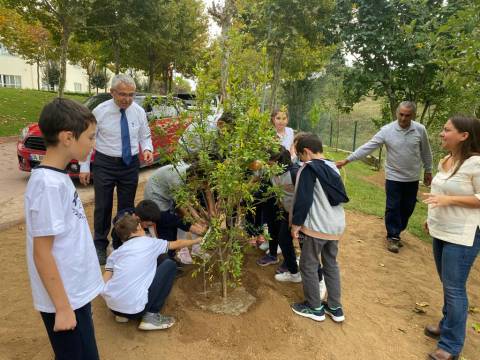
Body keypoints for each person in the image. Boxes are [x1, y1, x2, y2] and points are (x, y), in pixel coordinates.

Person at [24, 98, 104, 359]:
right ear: (68, 137)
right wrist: (62, 307)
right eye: (91, 137)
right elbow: (42, 252)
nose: (93, 144)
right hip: (65, 299)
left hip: (74, 294)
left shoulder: (57, 177)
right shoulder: (48, 185)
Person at [336, 101, 433, 253]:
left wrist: (428, 170)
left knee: (407, 208)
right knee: (393, 207)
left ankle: (397, 232)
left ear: (413, 115)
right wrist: (348, 159)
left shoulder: (420, 130)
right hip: (393, 177)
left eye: (407, 115)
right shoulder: (387, 130)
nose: (403, 118)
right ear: (397, 113)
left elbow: (426, 152)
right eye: (401, 114)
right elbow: (369, 146)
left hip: (412, 178)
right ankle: (393, 236)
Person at [79, 74, 154, 265]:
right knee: (102, 206)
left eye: (131, 94)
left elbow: (145, 136)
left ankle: (120, 242)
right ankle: (100, 244)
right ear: (112, 92)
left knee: (126, 208)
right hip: (105, 163)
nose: (127, 99)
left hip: (129, 165)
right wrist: (85, 166)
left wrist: (146, 149)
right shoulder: (100, 112)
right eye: (122, 94)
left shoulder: (138, 111)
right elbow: (89, 139)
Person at [422, 115, 480, 360]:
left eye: (447, 130)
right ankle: (447, 325)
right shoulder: (446, 160)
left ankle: (451, 346)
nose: (442, 134)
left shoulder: (475, 164)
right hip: (441, 229)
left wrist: (449, 200)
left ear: (464, 135)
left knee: (455, 289)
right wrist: (431, 217)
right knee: (448, 284)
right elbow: (439, 192)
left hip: (462, 234)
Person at [102, 214, 202, 330]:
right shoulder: (150, 243)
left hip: (113, 308)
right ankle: (151, 315)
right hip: (136, 310)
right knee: (169, 265)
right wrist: (197, 240)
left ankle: (122, 315)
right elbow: (177, 244)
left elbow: (104, 281)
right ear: (139, 227)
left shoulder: (116, 253)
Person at [290, 133, 349, 323]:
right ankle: (335, 307)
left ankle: (314, 307)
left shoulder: (308, 169)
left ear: (306, 152)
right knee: (331, 264)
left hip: (317, 227)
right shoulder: (333, 167)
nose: (300, 160)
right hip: (335, 226)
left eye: (300, 156)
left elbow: (303, 199)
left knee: (308, 264)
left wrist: (296, 225)